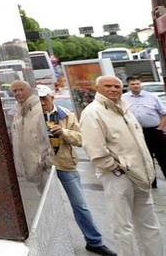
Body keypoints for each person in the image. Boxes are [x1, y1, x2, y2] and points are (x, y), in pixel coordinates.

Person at [80, 76, 162, 256]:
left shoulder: (124, 109)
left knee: (150, 225)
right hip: (118, 177)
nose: (113, 89)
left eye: (117, 86)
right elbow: (95, 149)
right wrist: (117, 170)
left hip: (140, 176)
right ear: (98, 88)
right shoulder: (92, 112)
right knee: (123, 227)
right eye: (107, 86)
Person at [37, 85, 116, 256]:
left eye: (44, 98)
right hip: (44, 168)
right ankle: (45, 245)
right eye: (38, 99)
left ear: (52, 97)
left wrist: (64, 132)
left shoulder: (66, 114)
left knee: (80, 205)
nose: (42, 102)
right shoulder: (33, 117)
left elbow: (82, 139)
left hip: (66, 165)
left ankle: (94, 241)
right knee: (43, 209)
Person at [121, 76, 166, 194]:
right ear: (128, 86)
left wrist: (160, 128)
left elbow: (165, 113)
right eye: (133, 84)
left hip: (155, 132)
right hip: (138, 133)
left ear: (141, 84)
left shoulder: (152, 97)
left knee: (164, 159)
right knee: (146, 159)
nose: (136, 86)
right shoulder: (123, 99)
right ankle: (152, 183)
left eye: (138, 83)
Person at [9, 80, 50, 193]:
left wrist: (46, 162)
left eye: (21, 89)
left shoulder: (39, 110)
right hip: (32, 169)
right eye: (15, 91)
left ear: (30, 90)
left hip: (45, 168)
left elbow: (48, 138)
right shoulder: (18, 112)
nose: (18, 93)